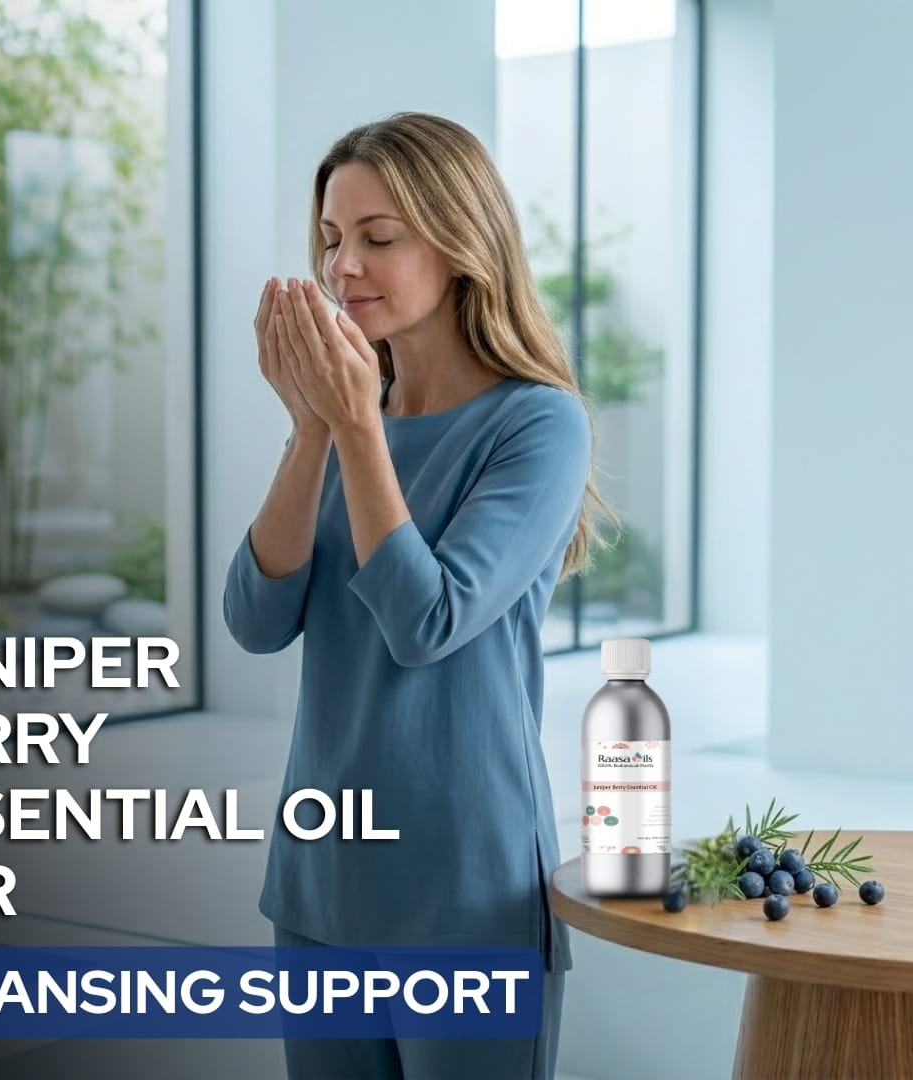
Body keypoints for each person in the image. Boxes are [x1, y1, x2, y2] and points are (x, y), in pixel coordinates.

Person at [224, 112, 605, 1079]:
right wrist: (315, 428)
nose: (343, 266)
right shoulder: (353, 417)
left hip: (463, 891)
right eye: (330, 240)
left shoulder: (538, 425)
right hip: (320, 879)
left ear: (461, 243)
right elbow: (256, 620)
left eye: (378, 238)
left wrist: (353, 428)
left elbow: (426, 621)